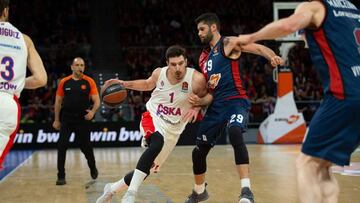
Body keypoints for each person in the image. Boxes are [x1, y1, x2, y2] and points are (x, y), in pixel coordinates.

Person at [237, 1, 360, 203]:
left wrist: (251, 37)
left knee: (306, 163)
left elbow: (287, 26)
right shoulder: (352, 9)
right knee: (323, 167)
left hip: (344, 95)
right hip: (354, 93)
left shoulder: (315, 7)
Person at [184, 13, 283, 203]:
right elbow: (211, 93)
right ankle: (199, 191)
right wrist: (199, 102)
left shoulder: (227, 43)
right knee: (198, 151)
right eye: (197, 30)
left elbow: (258, 47)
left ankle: (246, 191)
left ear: (213, 28)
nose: (198, 33)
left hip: (236, 101)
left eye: (201, 29)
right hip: (216, 106)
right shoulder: (204, 57)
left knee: (235, 132)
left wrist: (272, 56)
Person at [96, 45, 208, 203]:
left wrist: (197, 107)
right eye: (173, 64)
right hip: (154, 116)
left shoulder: (196, 79)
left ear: (186, 62)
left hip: (174, 129)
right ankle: (130, 195)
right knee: (156, 142)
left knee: (147, 168)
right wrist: (123, 83)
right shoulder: (159, 73)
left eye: (181, 63)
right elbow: (147, 84)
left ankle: (112, 188)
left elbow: (205, 97)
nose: (177, 68)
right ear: (167, 63)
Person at [0, 0, 47, 169]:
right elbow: (41, 79)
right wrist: (16, 84)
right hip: (8, 104)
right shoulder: (24, 39)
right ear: (5, 11)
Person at [53, 57, 100, 185]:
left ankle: (92, 167)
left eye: (82, 65)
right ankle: (61, 176)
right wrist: (56, 120)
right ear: (72, 67)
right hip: (67, 119)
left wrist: (92, 112)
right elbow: (57, 102)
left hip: (82, 120)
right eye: (77, 65)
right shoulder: (64, 82)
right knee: (61, 146)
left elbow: (97, 100)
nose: (80, 67)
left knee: (86, 147)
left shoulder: (89, 81)